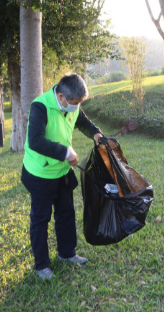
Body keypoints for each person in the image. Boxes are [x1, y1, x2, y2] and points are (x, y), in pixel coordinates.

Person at [21, 73, 103, 279]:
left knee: (66, 214)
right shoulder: (40, 107)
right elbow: (35, 141)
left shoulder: (72, 105)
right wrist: (66, 152)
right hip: (40, 174)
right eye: (74, 103)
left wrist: (96, 134)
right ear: (61, 97)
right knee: (40, 220)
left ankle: (67, 254)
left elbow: (82, 121)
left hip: (62, 173)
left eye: (78, 104)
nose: (76, 107)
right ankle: (42, 266)